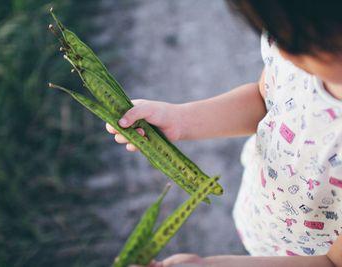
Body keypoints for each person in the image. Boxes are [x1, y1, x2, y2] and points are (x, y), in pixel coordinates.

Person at [106, 0, 342, 266]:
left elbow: (331, 263)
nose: (285, 55)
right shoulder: (294, 44)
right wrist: (179, 119)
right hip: (265, 232)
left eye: (305, 45)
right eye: (276, 35)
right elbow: (264, 101)